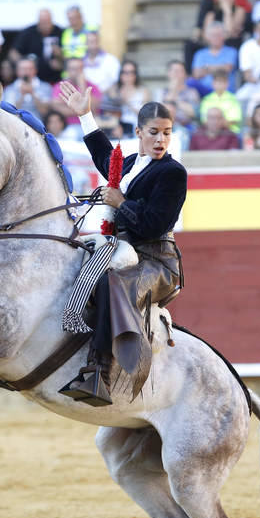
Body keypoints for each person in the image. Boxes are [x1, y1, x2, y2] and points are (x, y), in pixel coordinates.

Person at [57, 80, 187, 406]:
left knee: (111, 282)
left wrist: (120, 202)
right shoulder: (128, 164)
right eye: (154, 132)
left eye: (167, 133)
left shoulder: (172, 172)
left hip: (156, 262)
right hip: (122, 251)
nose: (161, 139)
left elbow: (153, 224)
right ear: (139, 133)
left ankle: (99, 373)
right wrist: (85, 115)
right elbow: (103, 154)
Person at [9, 8, 63, 84]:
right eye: (43, 22)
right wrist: (24, 65)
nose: (45, 25)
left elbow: (68, 56)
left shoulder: (60, 32)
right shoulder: (28, 32)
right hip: (31, 77)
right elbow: (13, 52)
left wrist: (60, 57)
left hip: (54, 78)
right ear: (38, 22)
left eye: (47, 21)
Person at [49, 56, 102, 125]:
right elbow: (57, 108)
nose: (78, 72)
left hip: (90, 125)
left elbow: (94, 108)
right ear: (67, 71)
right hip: (68, 126)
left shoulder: (92, 86)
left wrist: (82, 86)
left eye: (80, 68)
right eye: (74, 69)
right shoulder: (60, 86)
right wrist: (83, 109)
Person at [191, 21, 239, 93]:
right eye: (213, 35)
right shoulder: (200, 54)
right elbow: (196, 74)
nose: (216, 38)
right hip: (205, 90)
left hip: (225, 90)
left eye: (219, 35)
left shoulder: (231, 51)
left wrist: (206, 68)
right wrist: (220, 68)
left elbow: (227, 69)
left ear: (224, 36)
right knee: (190, 82)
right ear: (207, 37)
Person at [153, 60, 200, 131]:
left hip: (187, 127)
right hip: (165, 128)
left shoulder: (192, 92)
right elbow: (158, 113)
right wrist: (173, 91)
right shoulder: (160, 92)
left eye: (180, 71)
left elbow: (194, 113)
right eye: (174, 71)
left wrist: (175, 99)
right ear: (168, 73)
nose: (177, 74)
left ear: (185, 74)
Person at [105, 60, 152, 131]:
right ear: (120, 74)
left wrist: (127, 102)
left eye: (131, 72)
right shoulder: (114, 88)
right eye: (125, 72)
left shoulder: (143, 91)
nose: (128, 76)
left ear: (136, 74)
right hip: (117, 127)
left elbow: (145, 115)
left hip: (137, 126)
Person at [2, 54, 51, 121]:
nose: (26, 72)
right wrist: (22, 96)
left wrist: (33, 94)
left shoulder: (45, 87)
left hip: (39, 127)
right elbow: (9, 114)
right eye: (23, 69)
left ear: (35, 70)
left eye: (30, 69)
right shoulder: (9, 90)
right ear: (17, 71)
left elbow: (45, 112)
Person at [201, 69, 243, 133]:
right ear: (213, 83)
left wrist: (215, 124)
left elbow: (234, 120)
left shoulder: (233, 99)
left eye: (222, 81)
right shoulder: (206, 99)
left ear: (227, 84)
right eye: (217, 81)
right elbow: (204, 121)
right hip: (211, 134)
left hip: (230, 133)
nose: (219, 84)